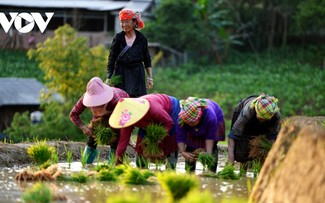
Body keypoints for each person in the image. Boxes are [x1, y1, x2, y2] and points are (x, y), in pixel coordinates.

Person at [109, 94, 180, 169]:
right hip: (149, 120)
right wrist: (118, 162)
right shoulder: (127, 118)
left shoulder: (154, 109)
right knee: (140, 163)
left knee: (170, 140)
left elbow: (169, 123)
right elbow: (123, 140)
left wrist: (159, 139)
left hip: (170, 109)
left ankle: (171, 158)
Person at [69, 77, 129, 164]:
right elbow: (73, 114)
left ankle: (112, 167)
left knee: (114, 140)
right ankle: (86, 165)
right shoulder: (84, 98)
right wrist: (83, 127)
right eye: (94, 105)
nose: (96, 106)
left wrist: (108, 113)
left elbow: (127, 118)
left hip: (118, 115)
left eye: (99, 105)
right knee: (92, 138)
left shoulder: (117, 100)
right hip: (99, 118)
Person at [106, 9, 153, 97]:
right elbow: (111, 59)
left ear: (134, 22)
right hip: (121, 74)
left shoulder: (141, 38)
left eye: (127, 22)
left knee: (138, 100)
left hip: (137, 74)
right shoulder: (118, 38)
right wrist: (109, 77)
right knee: (122, 99)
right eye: (122, 22)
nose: (124, 25)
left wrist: (150, 78)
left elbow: (147, 59)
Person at [227, 93, 281, 166]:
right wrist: (230, 162)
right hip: (242, 111)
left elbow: (273, 137)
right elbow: (233, 136)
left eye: (264, 119)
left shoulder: (275, 115)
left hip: (261, 120)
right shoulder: (248, 111)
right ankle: (243, 170)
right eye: (260, 118)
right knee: (242, 147)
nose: (262, 121)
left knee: (262, 147)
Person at [176, 97, 225, 173]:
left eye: (192, 122)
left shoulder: (210, 117)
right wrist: (183, 152)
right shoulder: (181, 119)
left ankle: (212, 171)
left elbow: (210, 137)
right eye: (188, 123)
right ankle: (190, 171)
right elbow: (180, 136)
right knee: (191, 145)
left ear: (198, 118)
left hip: (215, 115)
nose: (190, 124)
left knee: (211, 150)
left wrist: (208, 154)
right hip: (193, 120)